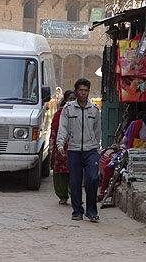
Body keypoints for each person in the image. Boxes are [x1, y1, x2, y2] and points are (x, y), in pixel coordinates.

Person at [56, 78, 101, 222]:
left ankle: (92, 211)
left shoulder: (94, 109)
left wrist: (97, 147)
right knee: (75, 181)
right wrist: (60, 144)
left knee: (93, 179)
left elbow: (97, 130)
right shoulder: (68, 109)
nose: (83, 93)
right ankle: (77, 211)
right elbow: (63, 128)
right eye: (81, 90)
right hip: (74, 149)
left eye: (86, 90)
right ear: (76, 91)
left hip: (91, 149)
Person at [49, 90, 76, 205]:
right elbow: (54, 130)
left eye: (74, 99)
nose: (72, 101)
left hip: (75, 146)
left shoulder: (80, 112)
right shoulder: (59, 114)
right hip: (61, 147)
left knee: (74, 171)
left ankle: (74, 195)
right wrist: (51, 146)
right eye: (70, 99)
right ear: (65, 100)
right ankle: (62, 195)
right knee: (60, 172)